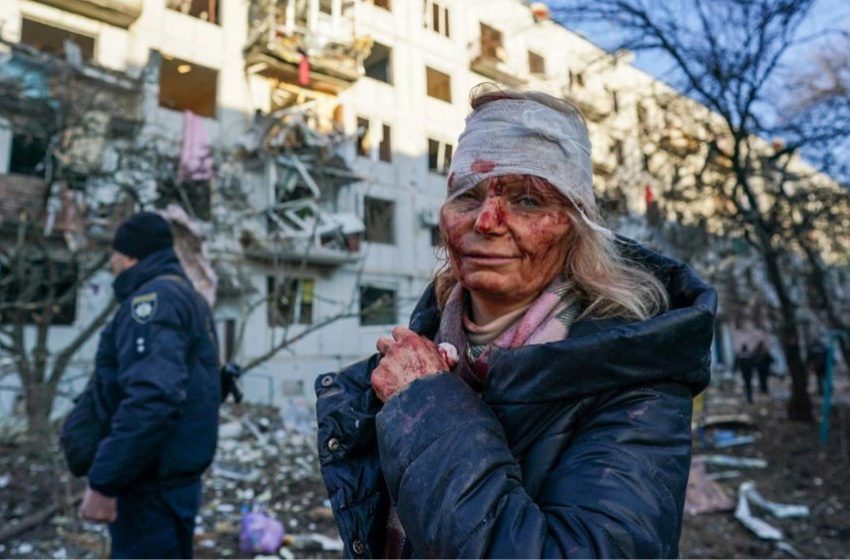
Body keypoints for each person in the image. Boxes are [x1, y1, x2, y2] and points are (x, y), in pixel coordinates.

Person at [315, 87, 716, 558]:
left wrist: (426, 406)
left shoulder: (635, 381)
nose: (486, 220)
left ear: (576, 225)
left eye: (527, 201)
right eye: (467, 195)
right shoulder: (422, 350)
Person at [61, 212, 220, 559]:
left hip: (149, 490)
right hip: (170, 484)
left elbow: (153, 398)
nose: (112, 264)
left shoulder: (153, 301)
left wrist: (105, 481)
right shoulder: (188, 297)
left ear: (131, 255)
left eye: (115, 255)